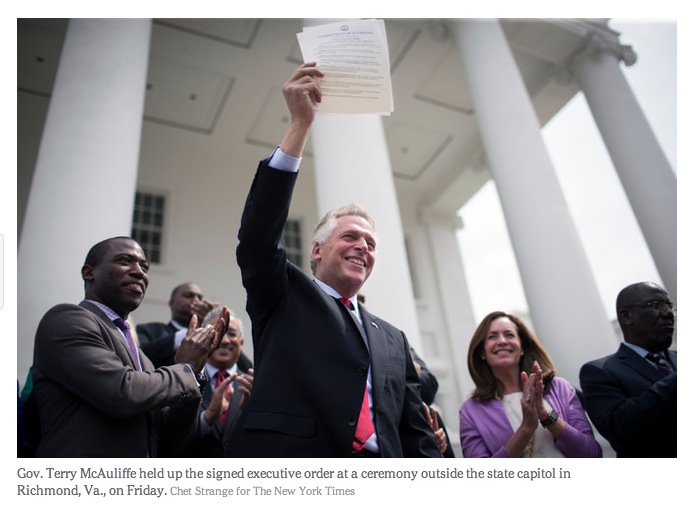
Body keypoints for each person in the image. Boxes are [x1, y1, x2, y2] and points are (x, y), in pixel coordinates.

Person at [225, 62, 440, 458]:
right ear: (317, 250)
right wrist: (300, 126)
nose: (363, 247)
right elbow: (257, 238)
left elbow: (414, 431)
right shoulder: (283, 296)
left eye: (370, 243)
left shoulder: (393, 339)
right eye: (350, 237)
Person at [30, 236, 229, 457]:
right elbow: (122, 393)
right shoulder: (68, 320)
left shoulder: (142, 358)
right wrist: (186, 370)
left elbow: (168, 441)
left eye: (144, 267)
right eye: (125, 261)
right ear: (89, 272)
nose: (139, 272)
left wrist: (196, 372)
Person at [459, 311, 601, 458]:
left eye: (509, 335)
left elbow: (592, 454)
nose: (502, 341)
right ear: (482, 352)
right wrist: (526, 428)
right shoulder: (471, 410)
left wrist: (546, 415)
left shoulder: (560, 388)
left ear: (522, 347)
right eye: (492, 336)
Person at [579, 281, 676, 457]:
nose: (668, 313)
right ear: (626, 317)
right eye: (656, 305)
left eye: (669, 306)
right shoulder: (599, 372)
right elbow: (620, 430)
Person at [183, 307, 254, 457]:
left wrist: (251, 412)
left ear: (241, 343)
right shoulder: (184, 380)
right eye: (217, 332)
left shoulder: (253, 386)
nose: (225, 340)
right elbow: (170, 437)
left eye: (232, 334)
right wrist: (207, 418)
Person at [137, 282, 253, 371]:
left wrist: (213, 322)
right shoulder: (149, 330)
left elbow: (246, 368)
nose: (196, 300)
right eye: (189, 295)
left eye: (200, 297)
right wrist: (196, 330)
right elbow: (141, 356)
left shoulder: (214, 334)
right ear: (171, 303)